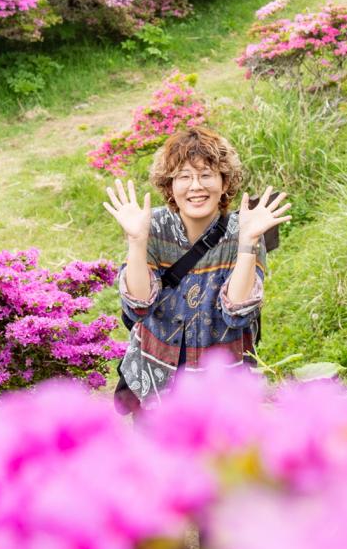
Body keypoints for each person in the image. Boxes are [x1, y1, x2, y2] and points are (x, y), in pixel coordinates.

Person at [103, 125, 291, 411]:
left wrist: (248, 243)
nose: (196, 186)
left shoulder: (246, 230)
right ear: (169, 186)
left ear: (225, 182)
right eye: (184, 177)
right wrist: (137, 241)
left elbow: (238, 314)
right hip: (156, 375)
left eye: (206, 175)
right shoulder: (151, 226)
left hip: (221, 380)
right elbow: (139, 307)